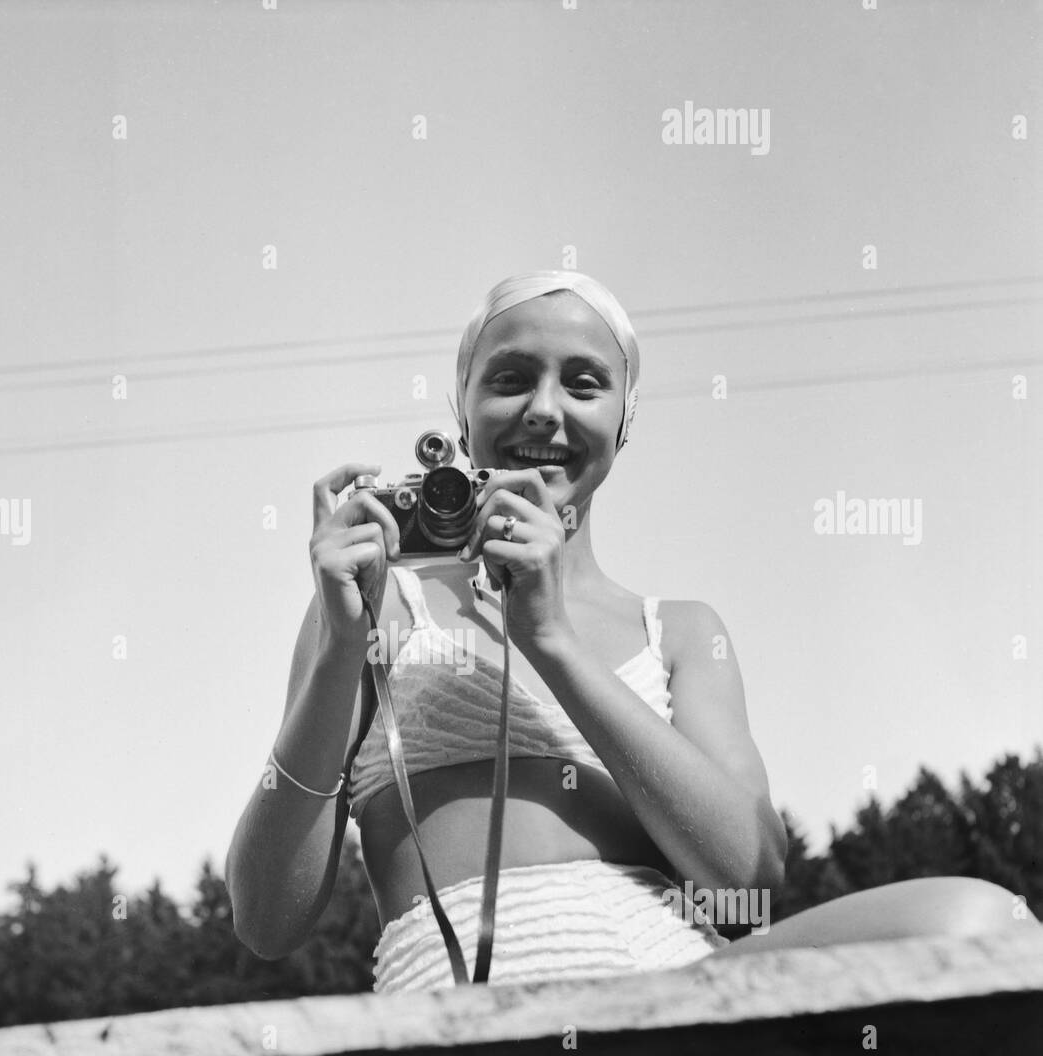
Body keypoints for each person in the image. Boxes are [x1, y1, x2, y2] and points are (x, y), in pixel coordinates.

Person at [226, 270, 1032, 991]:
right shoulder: (377, 606)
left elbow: (745, 879)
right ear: (459, 413)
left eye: (584, 383)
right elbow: (266, 919)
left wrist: (551, 639)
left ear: (624, 419)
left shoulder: (680, 631)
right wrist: (341, 649)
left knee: (982, 926)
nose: (545, 409)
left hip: (675, 1007)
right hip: (460, 1013)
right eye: (510, 379)